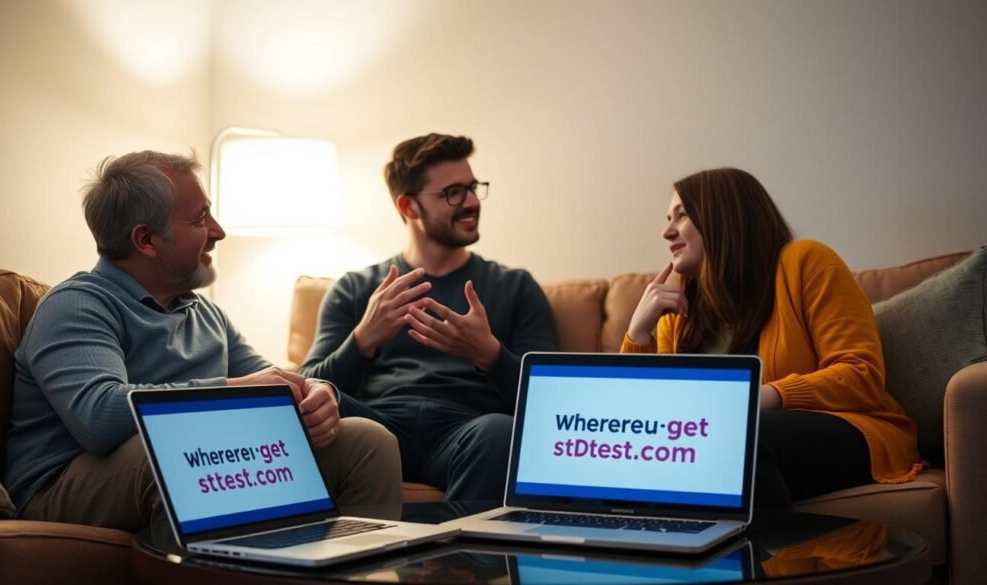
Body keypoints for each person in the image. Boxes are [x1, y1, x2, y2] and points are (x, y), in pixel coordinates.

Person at [3, 151, 402, 532]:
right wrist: (235, 391)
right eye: (200, 219)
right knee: (177, 451)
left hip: (194, 456)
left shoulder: (204, 313)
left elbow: (271, 379)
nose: (218, 232)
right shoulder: (78, 304)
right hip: (60, 486)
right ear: (146, 239)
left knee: (368, 440)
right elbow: (100, 419)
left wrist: (315, 392)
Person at [622, 167, 922, 508]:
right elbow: (645, 420)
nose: (666, 231)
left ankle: (762, 562)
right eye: (667, 218)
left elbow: (861, 375)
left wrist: (758, 397)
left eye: (682, 215)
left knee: (740, 439)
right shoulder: (676, 313)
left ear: (724, 216)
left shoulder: (806, 262)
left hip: (852, 431)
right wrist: (638, 331)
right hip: (728, 441)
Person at [302, 133, 557, 500]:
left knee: (500, 432)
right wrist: (363, 339)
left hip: (467, 432)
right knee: (320, 396)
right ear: (409, 207)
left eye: (473, 188)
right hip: (378, 426)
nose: (471, 201)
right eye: (454, 192)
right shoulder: (356, 289)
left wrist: (489, 354)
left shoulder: (514, 286)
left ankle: (463, 559)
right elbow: (308, 387)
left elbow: (552, 400)